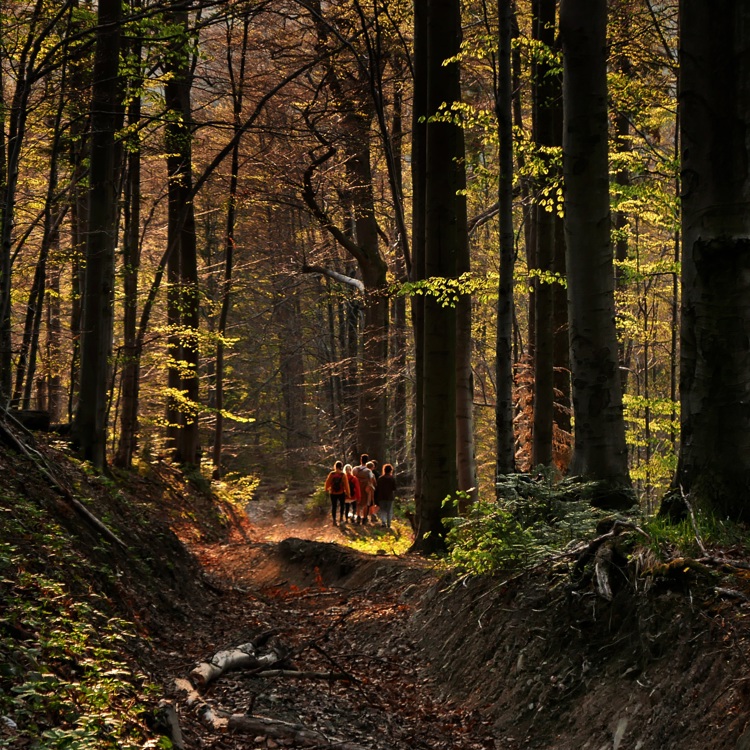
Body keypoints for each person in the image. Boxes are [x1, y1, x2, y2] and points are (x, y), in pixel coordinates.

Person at [324, 461, 350, 525]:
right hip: (341, 493)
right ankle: (341, 518)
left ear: (335, 466)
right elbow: (346, 485)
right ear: (341, 467)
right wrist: (348, 493)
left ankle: (334, 520)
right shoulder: (343, 475)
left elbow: (328, 483)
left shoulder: (332, 474)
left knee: (334, 506)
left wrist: (326, 489)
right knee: (342, 506)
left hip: (333, 493)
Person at [352, 454, 374, 524]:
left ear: (360, 460)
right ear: (367, 461)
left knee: (358, 502)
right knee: (365, 503)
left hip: (357, 488)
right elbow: (371, 480)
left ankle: (358, 516)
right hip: (365, 488)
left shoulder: (355, 469)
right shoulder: (369, 471)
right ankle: (364, 518)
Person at [374, 463, 397, 529]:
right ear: (391, 470)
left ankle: (383, 522)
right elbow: (394, 488)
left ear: (384, 470)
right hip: (390, 497)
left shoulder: (380, 479)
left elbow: (377, 488)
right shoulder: (392, 478)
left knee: (383, 510)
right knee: (389, 511)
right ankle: (389, 524)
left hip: (381, 497)